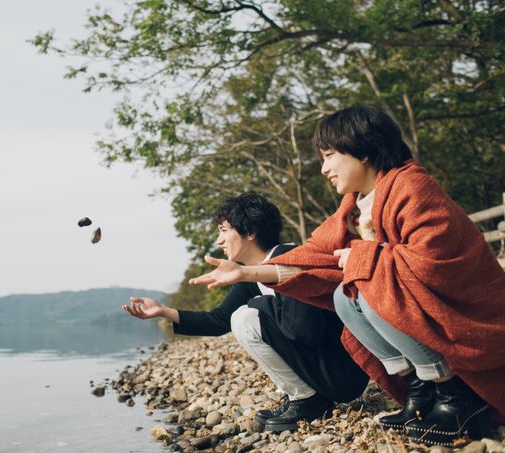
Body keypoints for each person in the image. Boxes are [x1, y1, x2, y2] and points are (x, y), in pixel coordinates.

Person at [190, 105, 505, 446]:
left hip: (473, 314)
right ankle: (421, 390)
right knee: (346, 295)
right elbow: (314, 254)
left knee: (366, 283)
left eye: (329, 156)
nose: (324, 168)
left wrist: (363, 256)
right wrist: (245, 272)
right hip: (420, 311)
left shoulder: (413, 188)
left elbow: (434, 264)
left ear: (364, 150)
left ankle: (456, 394)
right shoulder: (354, 206)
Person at [123, 193, 368, 432]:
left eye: (223, 230)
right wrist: (163, 311)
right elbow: (218, 321)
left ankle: (306, 399)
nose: (219, 241)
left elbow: (305, 331)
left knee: (245, 317)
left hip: (341, 372)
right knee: (240, 316)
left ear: (250, 232)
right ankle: (302, 397)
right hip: (322, 370)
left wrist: (258, 304)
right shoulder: (253, 276)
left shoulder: (291, 258)